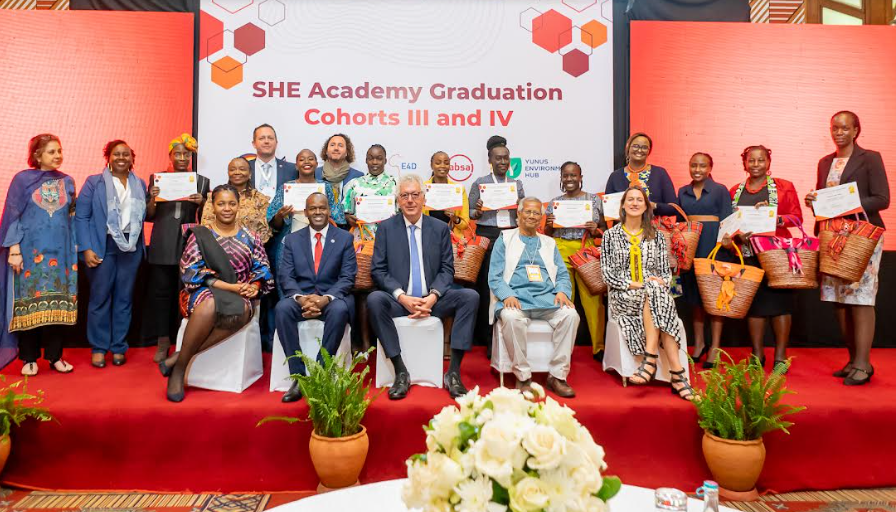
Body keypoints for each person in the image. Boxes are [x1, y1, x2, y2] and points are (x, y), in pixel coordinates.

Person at [367, 174, 479, 400]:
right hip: (400, 302)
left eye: (415, 195)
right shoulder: (386, 228)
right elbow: (378, 270)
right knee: (374, 300)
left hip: (432, 301)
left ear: (423, 199)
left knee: (470, 297)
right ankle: (400, 371)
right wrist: (402, 297)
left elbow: (447, 269)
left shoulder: (438, 228)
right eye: (405, 196)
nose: (410, 200)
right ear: (398, 200)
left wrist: (433, 296)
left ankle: (453, 373)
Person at [160, 184, 274, 402]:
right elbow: (190, 271)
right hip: (206, 290)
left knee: (241, 309)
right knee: (211, 304)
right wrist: (231, 287)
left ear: (239, 206)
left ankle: (177, 360)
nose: (227, 208)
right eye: (221, 204)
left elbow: (263, 269)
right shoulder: (200, 234)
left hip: (240, 295)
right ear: (213, 206)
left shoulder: (251, 236)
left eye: (232, 203)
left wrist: (255, 286)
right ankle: (179, 370)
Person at [806, 111, 889, 386]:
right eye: (834, 128)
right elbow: (823, 200)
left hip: (862, 236)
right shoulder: (824, 162)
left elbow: (882, 198)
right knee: (839, 301)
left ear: (856, 130)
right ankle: (853, 360)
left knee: (861, 297)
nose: (838, 132)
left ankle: (865, 364)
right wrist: (813, 201)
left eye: (844, 127)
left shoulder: (871, 158)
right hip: (832, 236)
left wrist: (847, 203)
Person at [600, 187, 694, 401]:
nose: (634, 203)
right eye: (630, 199)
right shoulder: (610, 236)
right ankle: (678, 376)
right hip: (624, 297)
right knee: (658, 297)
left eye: (639, 200)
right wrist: (631, 284)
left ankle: (650, 360)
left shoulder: (657, 236)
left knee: (654, 290)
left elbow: (665, 273)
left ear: (646, 206)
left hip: (652, 294)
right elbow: (607, 275)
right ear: (623, 205)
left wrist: (660, 281)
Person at [0, 134, 77, 375]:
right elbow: (13, 216)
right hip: (30, 255)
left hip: (62, 255)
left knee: (57, 307)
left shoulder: (68, 182)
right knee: (29, 306)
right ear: (37, 155)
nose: (58, 156)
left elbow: (72, 219)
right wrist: (13, 250)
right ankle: (29, 358)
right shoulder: (23, 180)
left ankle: (55, 357)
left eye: (59, 151)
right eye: (52, 151)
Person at [489, 197, 580, 397]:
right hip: (516, 300)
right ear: (518, 214)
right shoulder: (504, 239)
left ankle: (557, 376)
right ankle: (523, 377)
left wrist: (563, 291)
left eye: (536, 213)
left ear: (541, 217)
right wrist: (507, 295)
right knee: (511, 318)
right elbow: (495, 276)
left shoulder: (549, 242)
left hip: (548, 299)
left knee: (571, 316)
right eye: (528, 212)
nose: (532, 216)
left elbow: (563, 274)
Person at [724, 145, 802, 372]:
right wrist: (734, 236)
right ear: (744, 164)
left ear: (769, 162)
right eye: (751, 161)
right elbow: (730, 222)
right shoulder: (734, 190)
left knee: (780, 305)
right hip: (747, 254)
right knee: (754, 305)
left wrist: (775, 218)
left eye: (760, 160)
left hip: (776, 254)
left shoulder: (784, 187)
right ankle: (757, 354)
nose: (756, 164)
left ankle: (780, 356)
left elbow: (796, 218)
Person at [275, 192, 357, 402]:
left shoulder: (345, 238)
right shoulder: (292, 240)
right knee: (282, 309)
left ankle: (321, 371)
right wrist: (301, 299)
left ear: (329, 211)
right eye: (313, 208)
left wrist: (326, 298)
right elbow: (286, 275)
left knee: (340, 309)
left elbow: (348, 277)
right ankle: (299, 375)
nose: (318, 212)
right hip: (302, 298)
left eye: (322, 208)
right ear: (306, 212)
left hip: (331, 299)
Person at [75, 140, 147, 368]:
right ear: (108, 157)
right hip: (102, 245)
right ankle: (98, 347)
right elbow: (81, 217)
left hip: (131, 247)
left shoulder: (140, 183)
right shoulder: (93, 183)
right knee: (100, 298)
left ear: (132, 158)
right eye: (117, 154)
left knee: (124, 300)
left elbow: (143, 216)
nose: (121, 158)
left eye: (126, 154)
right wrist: (86, 248)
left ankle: (118, 347)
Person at [143, 134, 210, 363]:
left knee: (187, 295)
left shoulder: (201, 182)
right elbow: (149, 216)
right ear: (170, 156)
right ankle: (163, 342)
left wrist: (202, 202)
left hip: (189, 246)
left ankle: (184, 342)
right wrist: (152, 200)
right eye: (177, 154)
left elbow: (207, 217)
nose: (182, 158)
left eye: (186, 154)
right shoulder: (157, 179)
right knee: (161, 296)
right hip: (162, 244)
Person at [544, 161, 606, 360]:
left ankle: (599, 347)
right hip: (560, 248)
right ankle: (562, 347)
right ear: (561, 178)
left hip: (585, 248)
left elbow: (603, 229)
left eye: (573, 175)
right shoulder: (555, 202)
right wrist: (549, 225)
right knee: (562, 300)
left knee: (593, 300)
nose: (569, 179)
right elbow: (547, 233)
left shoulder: (594, 200)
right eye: (566, 176)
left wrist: (594, 228)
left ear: (581, 177)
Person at [468, 135, 526, 347]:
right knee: (487, 286)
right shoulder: (480, 183)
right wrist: (478, 210)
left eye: (505, 158)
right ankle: (487, 338)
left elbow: (522, 216)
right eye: (498, 158)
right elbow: (471, 213)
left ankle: (509, 334)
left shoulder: (516, 184)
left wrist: (520, 206)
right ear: (490, 161)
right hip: (487, 236)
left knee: (510, 284)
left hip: (511, 236)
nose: (502, 162)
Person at [676, 153, 732, 368]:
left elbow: (727, 219)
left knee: (715, 298)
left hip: (714, 247)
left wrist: (724, 242)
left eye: (702, 165)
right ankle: (699, 344)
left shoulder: (720, 190)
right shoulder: (683, 191)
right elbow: (680, 221)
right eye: (693, 165)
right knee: (694, 299)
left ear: (710, 168)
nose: (697, 169)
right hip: (690, 248)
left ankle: (715, 347)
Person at [267, 148, 320, 277]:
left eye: (311, 159)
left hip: (320, 243)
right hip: (289, 244)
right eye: (301, 159)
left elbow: (337, 217)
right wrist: (280, 215)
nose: (306, 162)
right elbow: (273, 223)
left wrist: (323, 214)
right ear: (296, 166)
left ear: (317, 164)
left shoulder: (326, 187)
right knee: (288, 279)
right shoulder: (286, 188)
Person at [605, 133, 679, 217]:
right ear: (628, 147)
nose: (639, 150)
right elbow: (609, 212)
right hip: (623, 227)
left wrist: (654, 206)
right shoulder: (615, 176)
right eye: (635, 146)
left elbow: (673, 208)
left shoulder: (660, 173)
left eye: (644, 147)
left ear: (649, 151)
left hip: (654, 227)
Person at [201, 157, 271, 243]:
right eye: (232, 169)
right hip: (217, 247)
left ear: (250, 174)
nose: (237, 172)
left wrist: (252, 246)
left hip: (250, 249)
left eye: (242, 169)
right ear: (228, 173)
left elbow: (265, 230)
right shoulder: (215, 196)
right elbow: (206, 223)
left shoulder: (260, 199)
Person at [343, 144, 398, 237]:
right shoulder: (354, 184)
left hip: (390, 237)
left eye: (379, 158)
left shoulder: (396, 183)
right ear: (366, 160)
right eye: (370, 158)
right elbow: (346, 212)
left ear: (385, 161)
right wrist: (348, 218)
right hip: (362, 239)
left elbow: (403, 211)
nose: (374, 162)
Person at [314, 133, 364, 230]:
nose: (336, 148)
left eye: (340, 145)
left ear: (347, 152)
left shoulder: (358, 176)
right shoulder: (315, 174)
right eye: (332, 145)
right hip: (318, 228)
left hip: (347, 230)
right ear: (326, 151)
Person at [424, 151, 470, 236]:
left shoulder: (458, 189)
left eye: (446, 163)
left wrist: (454, 218)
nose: (442, 166)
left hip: (452, 238)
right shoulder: (423, 188)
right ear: (431, 166)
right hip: (427, 235)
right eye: (438, 163)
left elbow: (465, 224)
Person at [248, 124, 296, 200]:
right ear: (254, 144)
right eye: (262, 138)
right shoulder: (245, 168)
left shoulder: (292, 169)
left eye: (270, 138)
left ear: (276, 143)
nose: (266, 141)